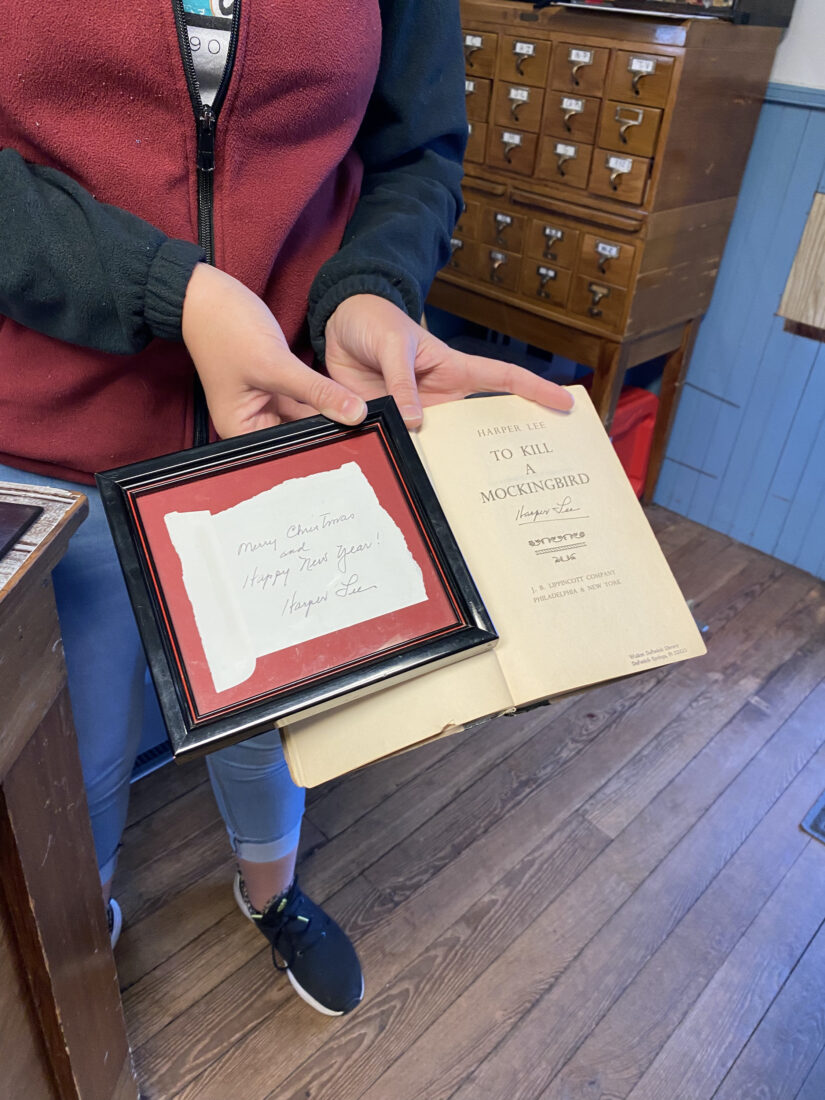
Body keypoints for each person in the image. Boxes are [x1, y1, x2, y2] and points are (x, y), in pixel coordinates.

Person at [0, 0, 572, 1017]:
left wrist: (369, 290)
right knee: (72, 755)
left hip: (281, 420)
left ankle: (272, 894)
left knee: (277, 717)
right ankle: (80, 953)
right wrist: (175, 293)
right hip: (48, 439)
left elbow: (417, 150)